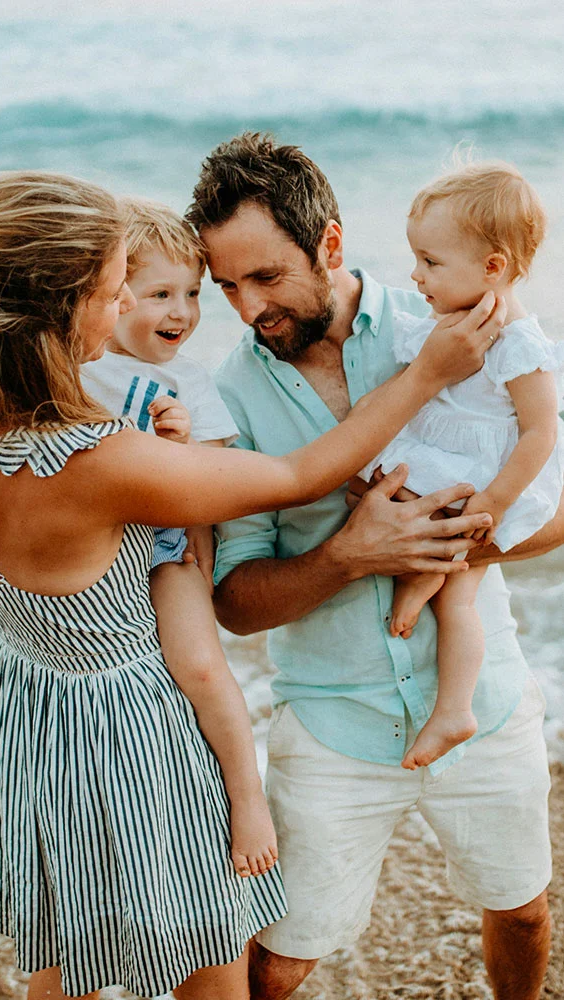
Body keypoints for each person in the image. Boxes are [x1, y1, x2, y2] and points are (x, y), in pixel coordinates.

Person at [0, 172, 496, 1000]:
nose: (122, 311)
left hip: (30, 709)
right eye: (114, 292)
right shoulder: (97, 462)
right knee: (209, 952)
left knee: (64, 943)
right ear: (57, 307)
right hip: (133, 729)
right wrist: (427, 377)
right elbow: (300, 473)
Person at [186, 133, 558, 1000]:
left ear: (332, 246)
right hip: (331, 723)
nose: (248, 310)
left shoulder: (460, 317)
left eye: (267, 278)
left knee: (524, 912)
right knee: (280, 963)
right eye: (227, 286)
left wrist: (461, 539)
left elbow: (552, 489)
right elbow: (235, 602)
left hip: (483, 699)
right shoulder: (223, 396)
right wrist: (353, 555)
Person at [81, 197, 279, 879]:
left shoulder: (188, 381)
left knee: (197, 665)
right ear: (110, 294)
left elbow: (218, 477)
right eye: (160, 293)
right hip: (90, 553)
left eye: (193, 294)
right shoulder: (75, 367)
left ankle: (247, 797)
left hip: (166, 552)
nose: (183, 312)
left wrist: (180, 443)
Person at [358, 161, 564, 769]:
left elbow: (540, 430)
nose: (415, 275)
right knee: (378, 485)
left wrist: (495, 501)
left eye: (430, 262)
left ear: (492, 267)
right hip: (448, 456)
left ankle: (454, 710)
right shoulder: (457, 314)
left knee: (459, 599)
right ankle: (427, 577)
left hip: (490, 476)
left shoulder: (520, 340)